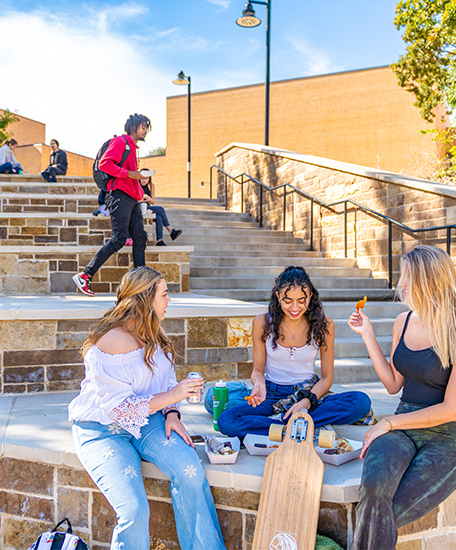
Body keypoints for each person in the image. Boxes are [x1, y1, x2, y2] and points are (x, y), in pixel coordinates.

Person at [68, 267, 226, 550]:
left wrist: (173, 412)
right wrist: (172, 396)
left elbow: (165, 380)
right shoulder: (111, 343)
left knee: (190, 469)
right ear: (144, 300)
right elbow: (119, 411)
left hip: (147, 420)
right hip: (102, 430)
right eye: (164, 295)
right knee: (134, 511)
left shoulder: (153, 331)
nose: (168, 301)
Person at [347, 245, 456, 550]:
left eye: (407, 276)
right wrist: (368, 335)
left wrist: (389, 423)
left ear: (428, 280)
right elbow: (394, 384)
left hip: (447, 437)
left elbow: (451, 408)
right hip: (404, 426)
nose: (401, 284)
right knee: (374, 489)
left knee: (384, 513)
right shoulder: (403, 322)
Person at [217, 266, 373, 439]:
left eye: (301, 300)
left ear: (310, 297)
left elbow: (327, 378)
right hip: (271, 395)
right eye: (288, 300)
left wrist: (307, 401)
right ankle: (298, 426)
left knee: (360, 401)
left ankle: (285, 427)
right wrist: (258, 384)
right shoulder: (262, 322)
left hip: (308, 391)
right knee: (227, 420)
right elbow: (258, 371)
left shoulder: (325, 325)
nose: (294, 307)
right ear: (278, 297)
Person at [73, 114, 151, 296]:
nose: (146, 129)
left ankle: (141, 284)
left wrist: (138, 177)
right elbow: (104, 164)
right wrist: (130, 174)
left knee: (140, 238)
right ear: (133, 127)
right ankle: (85, 275)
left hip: (132, 198)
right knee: (119, 239)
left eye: (147, 127)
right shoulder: (120, 142)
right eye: (143, 126)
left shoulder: (132, 148)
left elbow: (128, 174)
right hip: (119, 196)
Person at [140, 169, 182, 246]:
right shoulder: (136, 185)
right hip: (139, 207)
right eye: (143, 178)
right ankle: (171, 231)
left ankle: (160, 240)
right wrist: (141, 199)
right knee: (161, 209)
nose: (144, 180)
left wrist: (149, 199)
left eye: (147, 178)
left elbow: (153, 201)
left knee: (159, 217)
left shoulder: (151, 186)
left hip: (148, 207)